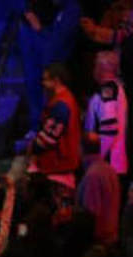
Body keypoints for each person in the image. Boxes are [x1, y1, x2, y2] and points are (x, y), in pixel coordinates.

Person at [19, 0, 81, 134]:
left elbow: (56, 45)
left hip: (54, 61)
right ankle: (36, 128)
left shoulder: (71, 10)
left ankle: (45, 130)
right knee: (34, 84)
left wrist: (39, 29)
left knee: (47, 92)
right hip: (41, 52)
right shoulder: (56, 9)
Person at [28, 63, 81, 199]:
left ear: (56, 81)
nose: (43, 84)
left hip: (58, 168)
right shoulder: (61, 101)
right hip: (57, 166)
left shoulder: (62, 105)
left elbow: (49, 138)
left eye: (45, 80)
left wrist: (32, 148)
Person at [85, 51, 128, 176]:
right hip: (112, 165)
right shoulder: (116, 89)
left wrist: (97, 157)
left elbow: (109, 128)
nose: (93, 70)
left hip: (107, 166)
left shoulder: (108, 90)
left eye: (95, 66)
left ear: (102, 68)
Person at [77, 133, 120, 245]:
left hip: (98, 243)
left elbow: (89, 215)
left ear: (81, 149)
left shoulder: (92, 175)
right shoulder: (110, 170)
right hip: (112, 238)